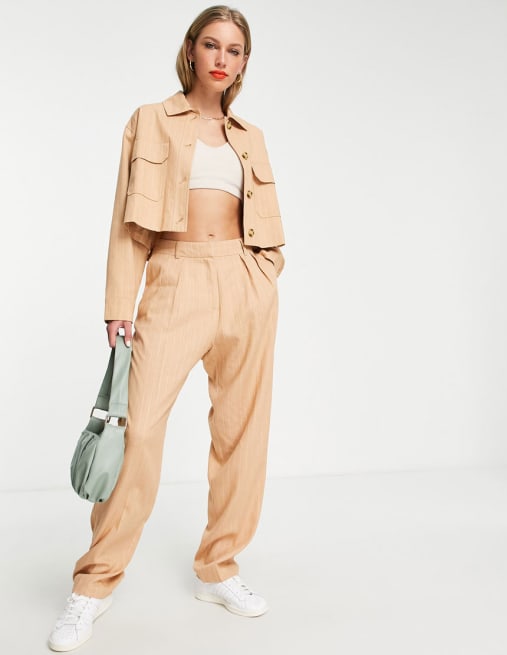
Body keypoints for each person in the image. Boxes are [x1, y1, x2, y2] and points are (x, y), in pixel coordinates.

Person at [48, 4, 285, 652]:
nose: (221, 58)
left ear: (243, 62)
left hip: (244, 283)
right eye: (211, 44)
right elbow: (125, 222)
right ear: (191, 50)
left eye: (234, 49)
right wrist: (118, 304)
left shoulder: (250, 136)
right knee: (139, 430)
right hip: (176, 279)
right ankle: (94, 584)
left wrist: (264, 274)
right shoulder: (150, 120)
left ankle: (219, 567)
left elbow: (265, 220)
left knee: (242, 434)